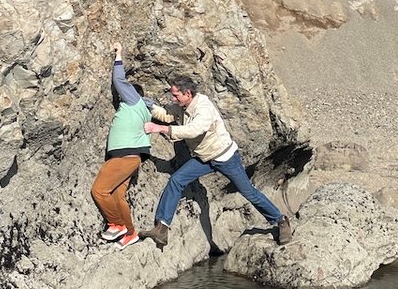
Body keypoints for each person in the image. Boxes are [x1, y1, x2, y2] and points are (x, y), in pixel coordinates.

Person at [143, 76, 293, 249]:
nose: (173, 99)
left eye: (176, 95)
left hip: (225, 157)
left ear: (188, 93)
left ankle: (280, 221)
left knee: (249, 192)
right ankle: (162, 228)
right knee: (177, 180)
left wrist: (160, 128)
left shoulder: (203, 107)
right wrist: (146, 104)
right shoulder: (181, 106)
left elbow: (194, 129)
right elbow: (167, 114)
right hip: (204, 158)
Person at [90, 43, 151, 249]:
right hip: (132, 158)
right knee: (117, 195)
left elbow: (119, 80)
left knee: (99, 190)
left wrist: (118, 54)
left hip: (124, 156)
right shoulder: (144, 108)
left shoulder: (133, 100)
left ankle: (116, 225)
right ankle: (131, 233)